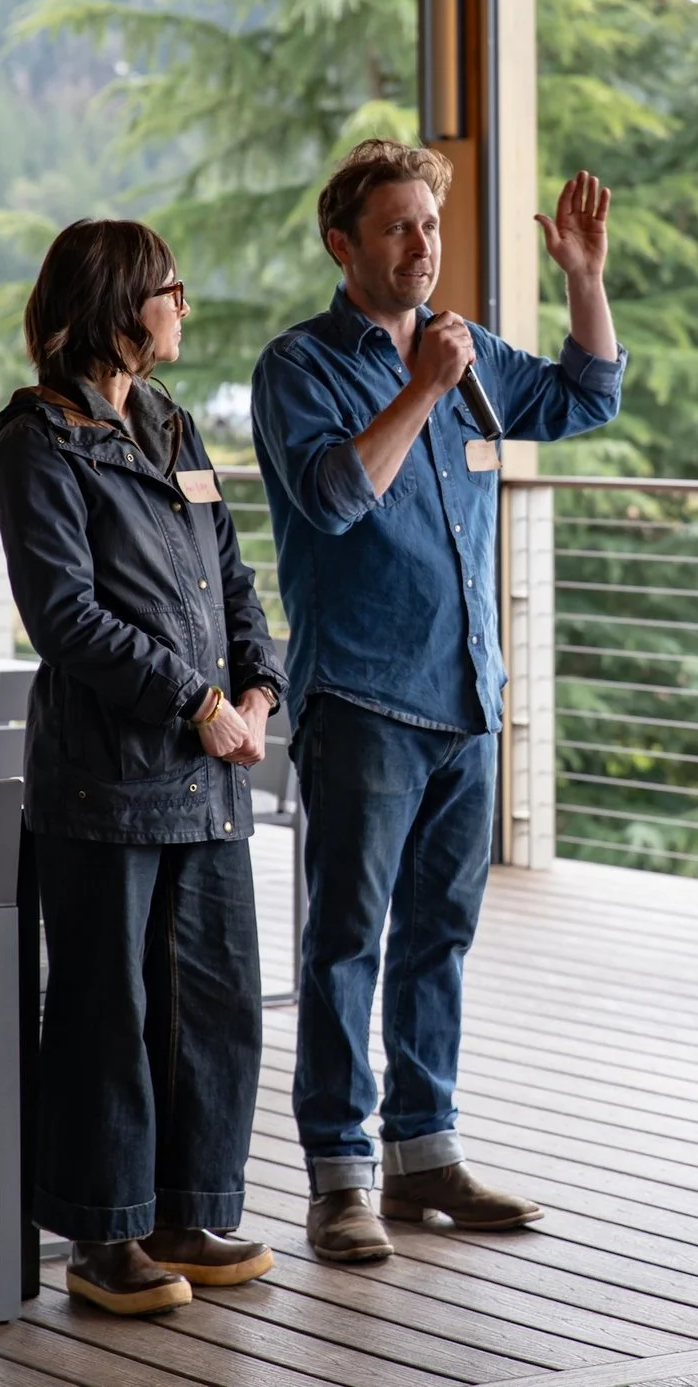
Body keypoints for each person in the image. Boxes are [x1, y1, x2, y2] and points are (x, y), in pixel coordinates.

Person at [252, 140, 625, 1261]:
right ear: (343, 244)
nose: (422, 245)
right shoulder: (301, 366)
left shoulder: (467, 349)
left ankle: (425, 1153)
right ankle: (339, 1178)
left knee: (439, 939)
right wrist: (423, 387)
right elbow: (333, 497)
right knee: (345, 944)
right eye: (398, 227)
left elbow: (587, 397)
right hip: (364, 699)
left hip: (468, 695)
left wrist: (584, 280)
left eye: (430, 224)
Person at [0, 220, 285, 1313]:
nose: (184, 306)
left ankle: (184, 1210)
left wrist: (258, 685)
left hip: (209, 774)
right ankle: (103, 1235)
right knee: (109, 1011)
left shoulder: (169, 422)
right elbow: (66, 617)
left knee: (214, 1003)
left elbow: (232, 576)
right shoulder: (36, 442)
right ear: (118, 304)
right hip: (106, 779)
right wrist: (194, 700)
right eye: (170, 289)